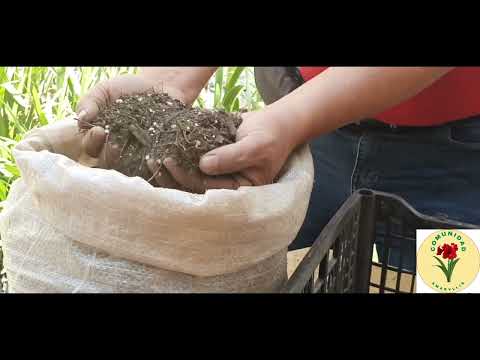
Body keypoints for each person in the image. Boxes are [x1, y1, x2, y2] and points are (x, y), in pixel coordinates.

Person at [76, 67, 480, 272]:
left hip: (449, 158)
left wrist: (292, 120)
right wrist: (172, 78)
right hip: (314, 137)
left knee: (444, 276)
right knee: (283, 273)